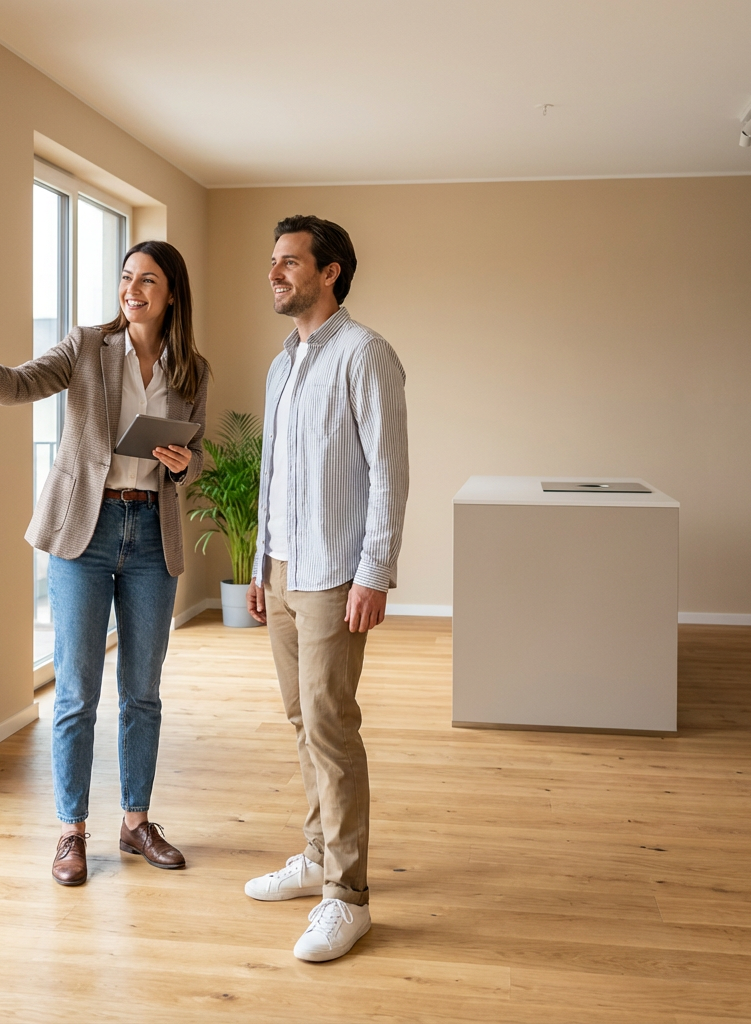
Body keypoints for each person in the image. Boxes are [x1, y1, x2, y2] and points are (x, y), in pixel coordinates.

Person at [0, 240, 209, 886]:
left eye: (148, 281)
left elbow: (196, 451)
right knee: (76, 693)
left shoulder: (191, 370)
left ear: (171, 293)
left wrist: (186, 463)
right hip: (84, 535)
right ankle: (71, 832)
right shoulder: (87, 345)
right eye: (126, 278)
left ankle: (136, 822)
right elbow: (17, 385)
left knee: (143, 693)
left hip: (154, 532)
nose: (133, 290)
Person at [244, 215, 409, 961]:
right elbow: (274, 477)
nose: (275, 272)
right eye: (273, 262)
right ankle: (315, 858)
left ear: (330, 271)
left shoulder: (366, 355)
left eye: (289, 262)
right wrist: (257, 565)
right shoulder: (284, 364)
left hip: (335, 572)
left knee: (331, 726)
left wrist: (373, 573)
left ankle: (349, 896)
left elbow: (387, 475)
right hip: (282, 569)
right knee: (300, 720)